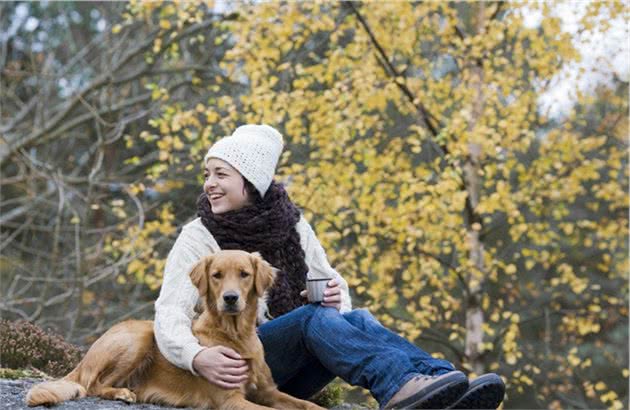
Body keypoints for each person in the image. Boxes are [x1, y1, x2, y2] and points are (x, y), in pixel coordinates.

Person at [154, 124, 505, 409]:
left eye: (220, 174)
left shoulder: (291, 224)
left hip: (292, 365)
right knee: (312, 318)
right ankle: (398, 386)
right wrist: (196, 357)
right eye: (208, 174)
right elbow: (169, 312)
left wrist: (339, 300)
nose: (209, 184)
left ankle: (445, 385)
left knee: (357, 318)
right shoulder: (197, 237)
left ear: (251, 181)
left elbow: (331, 282)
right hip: (237, 365)